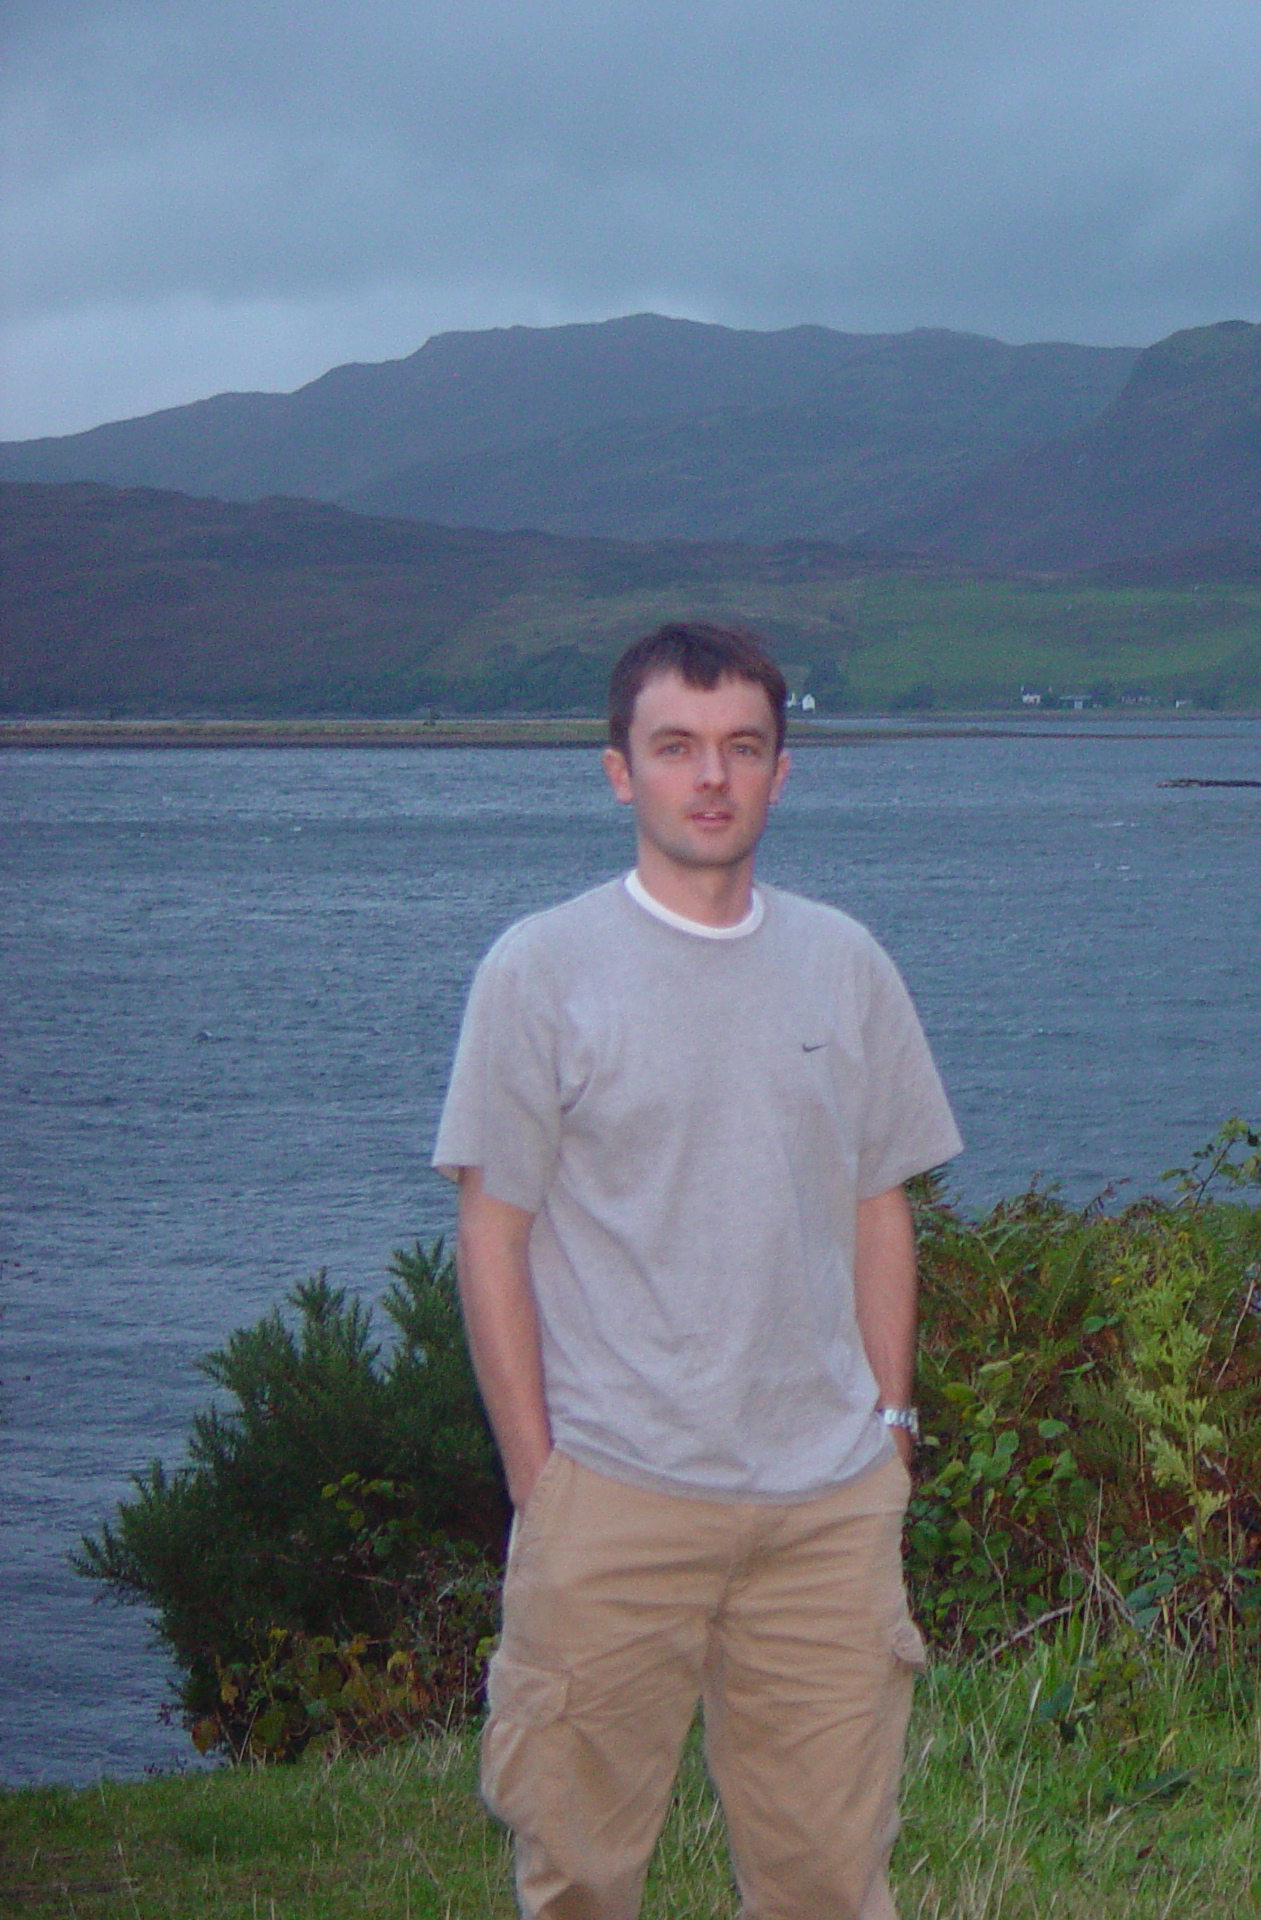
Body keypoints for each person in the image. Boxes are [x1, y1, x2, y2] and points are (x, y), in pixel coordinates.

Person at [434, 621, 961, 1920]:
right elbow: (492, 1233)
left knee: (831, 1885)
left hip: (827, 1511)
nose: (710, 778)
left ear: (783, 772)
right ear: (621, 771)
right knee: (580, 1883)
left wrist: (890, 1429)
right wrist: (538, 1483)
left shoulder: (847, 965)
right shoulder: (540, 973)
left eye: (741, 749)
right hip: (614, 1498)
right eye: (676, 748)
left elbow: (877, 1204)